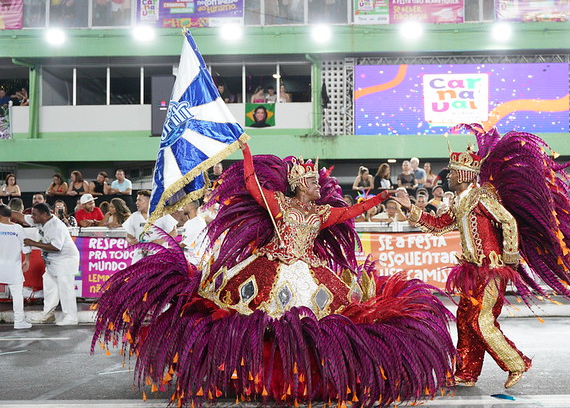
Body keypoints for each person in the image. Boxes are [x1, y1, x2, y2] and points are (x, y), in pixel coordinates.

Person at [93, 150, 455, 407]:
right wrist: (246, 151)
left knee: (324, 322)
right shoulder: (279, 204)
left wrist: (380, 197)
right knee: (260, 320)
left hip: (311, 273)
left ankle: (307, 372)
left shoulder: (322, 212)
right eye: (312, 182)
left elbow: (352, 211)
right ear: (298, 185)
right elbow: (251, 183)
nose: (319, 186)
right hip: (270, 267)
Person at [397, 125, 570, 389]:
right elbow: (439, 223)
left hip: (491, 270)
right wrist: (411, 209)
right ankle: (466, 373)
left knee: (481, 320)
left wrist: (509, 256)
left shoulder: (481, 197)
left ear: (465, 175)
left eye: (453, 173)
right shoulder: (458, 202)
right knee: (465, 320)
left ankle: (516, 362)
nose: (449, 177)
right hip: (470, 271)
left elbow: (508, 221)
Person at [12, 203, 80, 326]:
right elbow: (21, 217)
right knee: (49, 286)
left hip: (65, 259)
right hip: (54, 260)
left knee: (65, 289)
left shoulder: (56, 226)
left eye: (34, 214)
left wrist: (33, 243)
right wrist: (4, 209)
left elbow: (56, 247)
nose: (32, 217)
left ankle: (71, 317)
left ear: (44, 214)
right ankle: (48, 314)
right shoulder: (39, 220)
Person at [0, 204, 32, 329]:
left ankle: (19, 321)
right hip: (12, 267)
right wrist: (27, 260)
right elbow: (26, 247)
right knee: (17, 294)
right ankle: (19, 321)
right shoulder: (18, 229)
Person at [122, 190, 178, 260]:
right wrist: (130, 241)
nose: (136, 203)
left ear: (149, 201)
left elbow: (174, 232)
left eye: (139, 200)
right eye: (137, 200)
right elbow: (128, 236)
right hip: (139, 257)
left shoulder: (161, 214)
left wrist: (161, 240)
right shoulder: (134, 216)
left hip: (159, 256)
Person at [179, 199, 206, 266]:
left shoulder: (199, 222)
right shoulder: (188, 222)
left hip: (194, 260)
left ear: (192, 207)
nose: (183, 207)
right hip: (186, 257)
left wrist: (169, 246)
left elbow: (185, 244)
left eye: (185, 204)